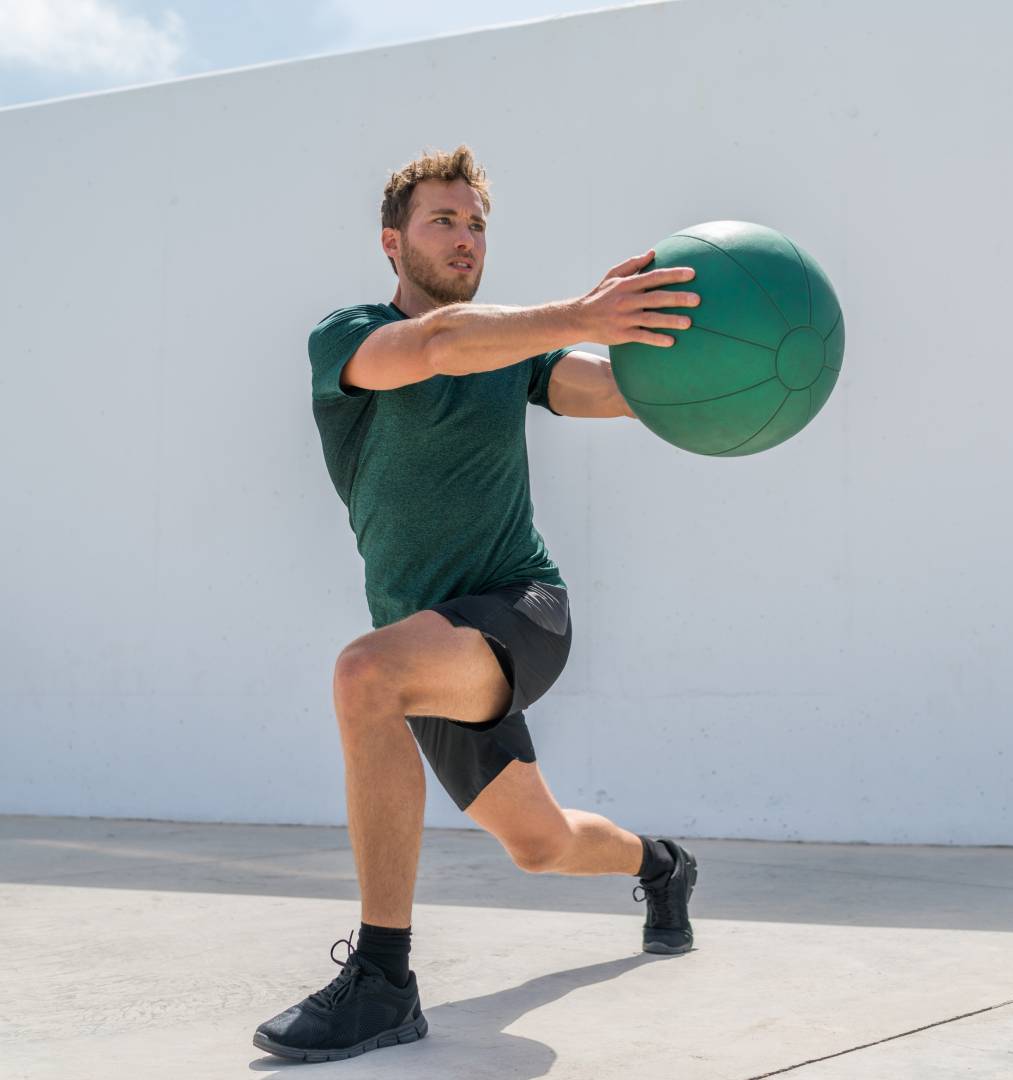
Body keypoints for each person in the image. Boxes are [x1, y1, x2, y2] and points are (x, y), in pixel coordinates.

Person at [253, 145, 702, 1063]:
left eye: (477, 224)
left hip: (522, 608)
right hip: (434, 643)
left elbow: (616, 391)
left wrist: (700, 363)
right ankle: (663, 865)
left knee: (363, 673)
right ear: (392, 242)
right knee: (538, 844)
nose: (466, 239)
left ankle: (382, 979)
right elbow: (438, 346)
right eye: (444, 221)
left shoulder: (518, 353)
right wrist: (575, 313)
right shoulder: (347, 338)